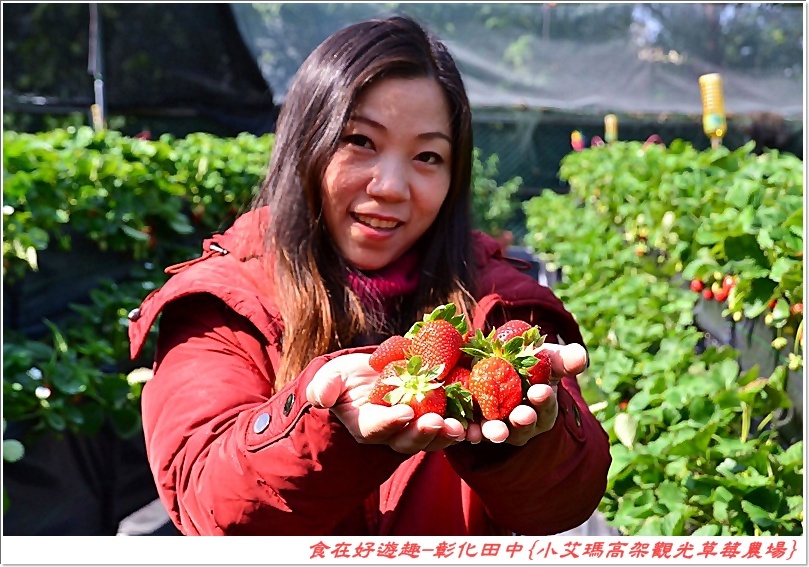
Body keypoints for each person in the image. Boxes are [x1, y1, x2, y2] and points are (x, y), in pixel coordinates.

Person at [128, 15, 611, 536]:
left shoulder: (501, 305)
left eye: (428, 155)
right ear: (304, 146)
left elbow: (565, 502)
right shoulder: (224, 304)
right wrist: (321, 426)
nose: (391, 187)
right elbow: (208, 503)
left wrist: (531, 444)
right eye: (360, 141)